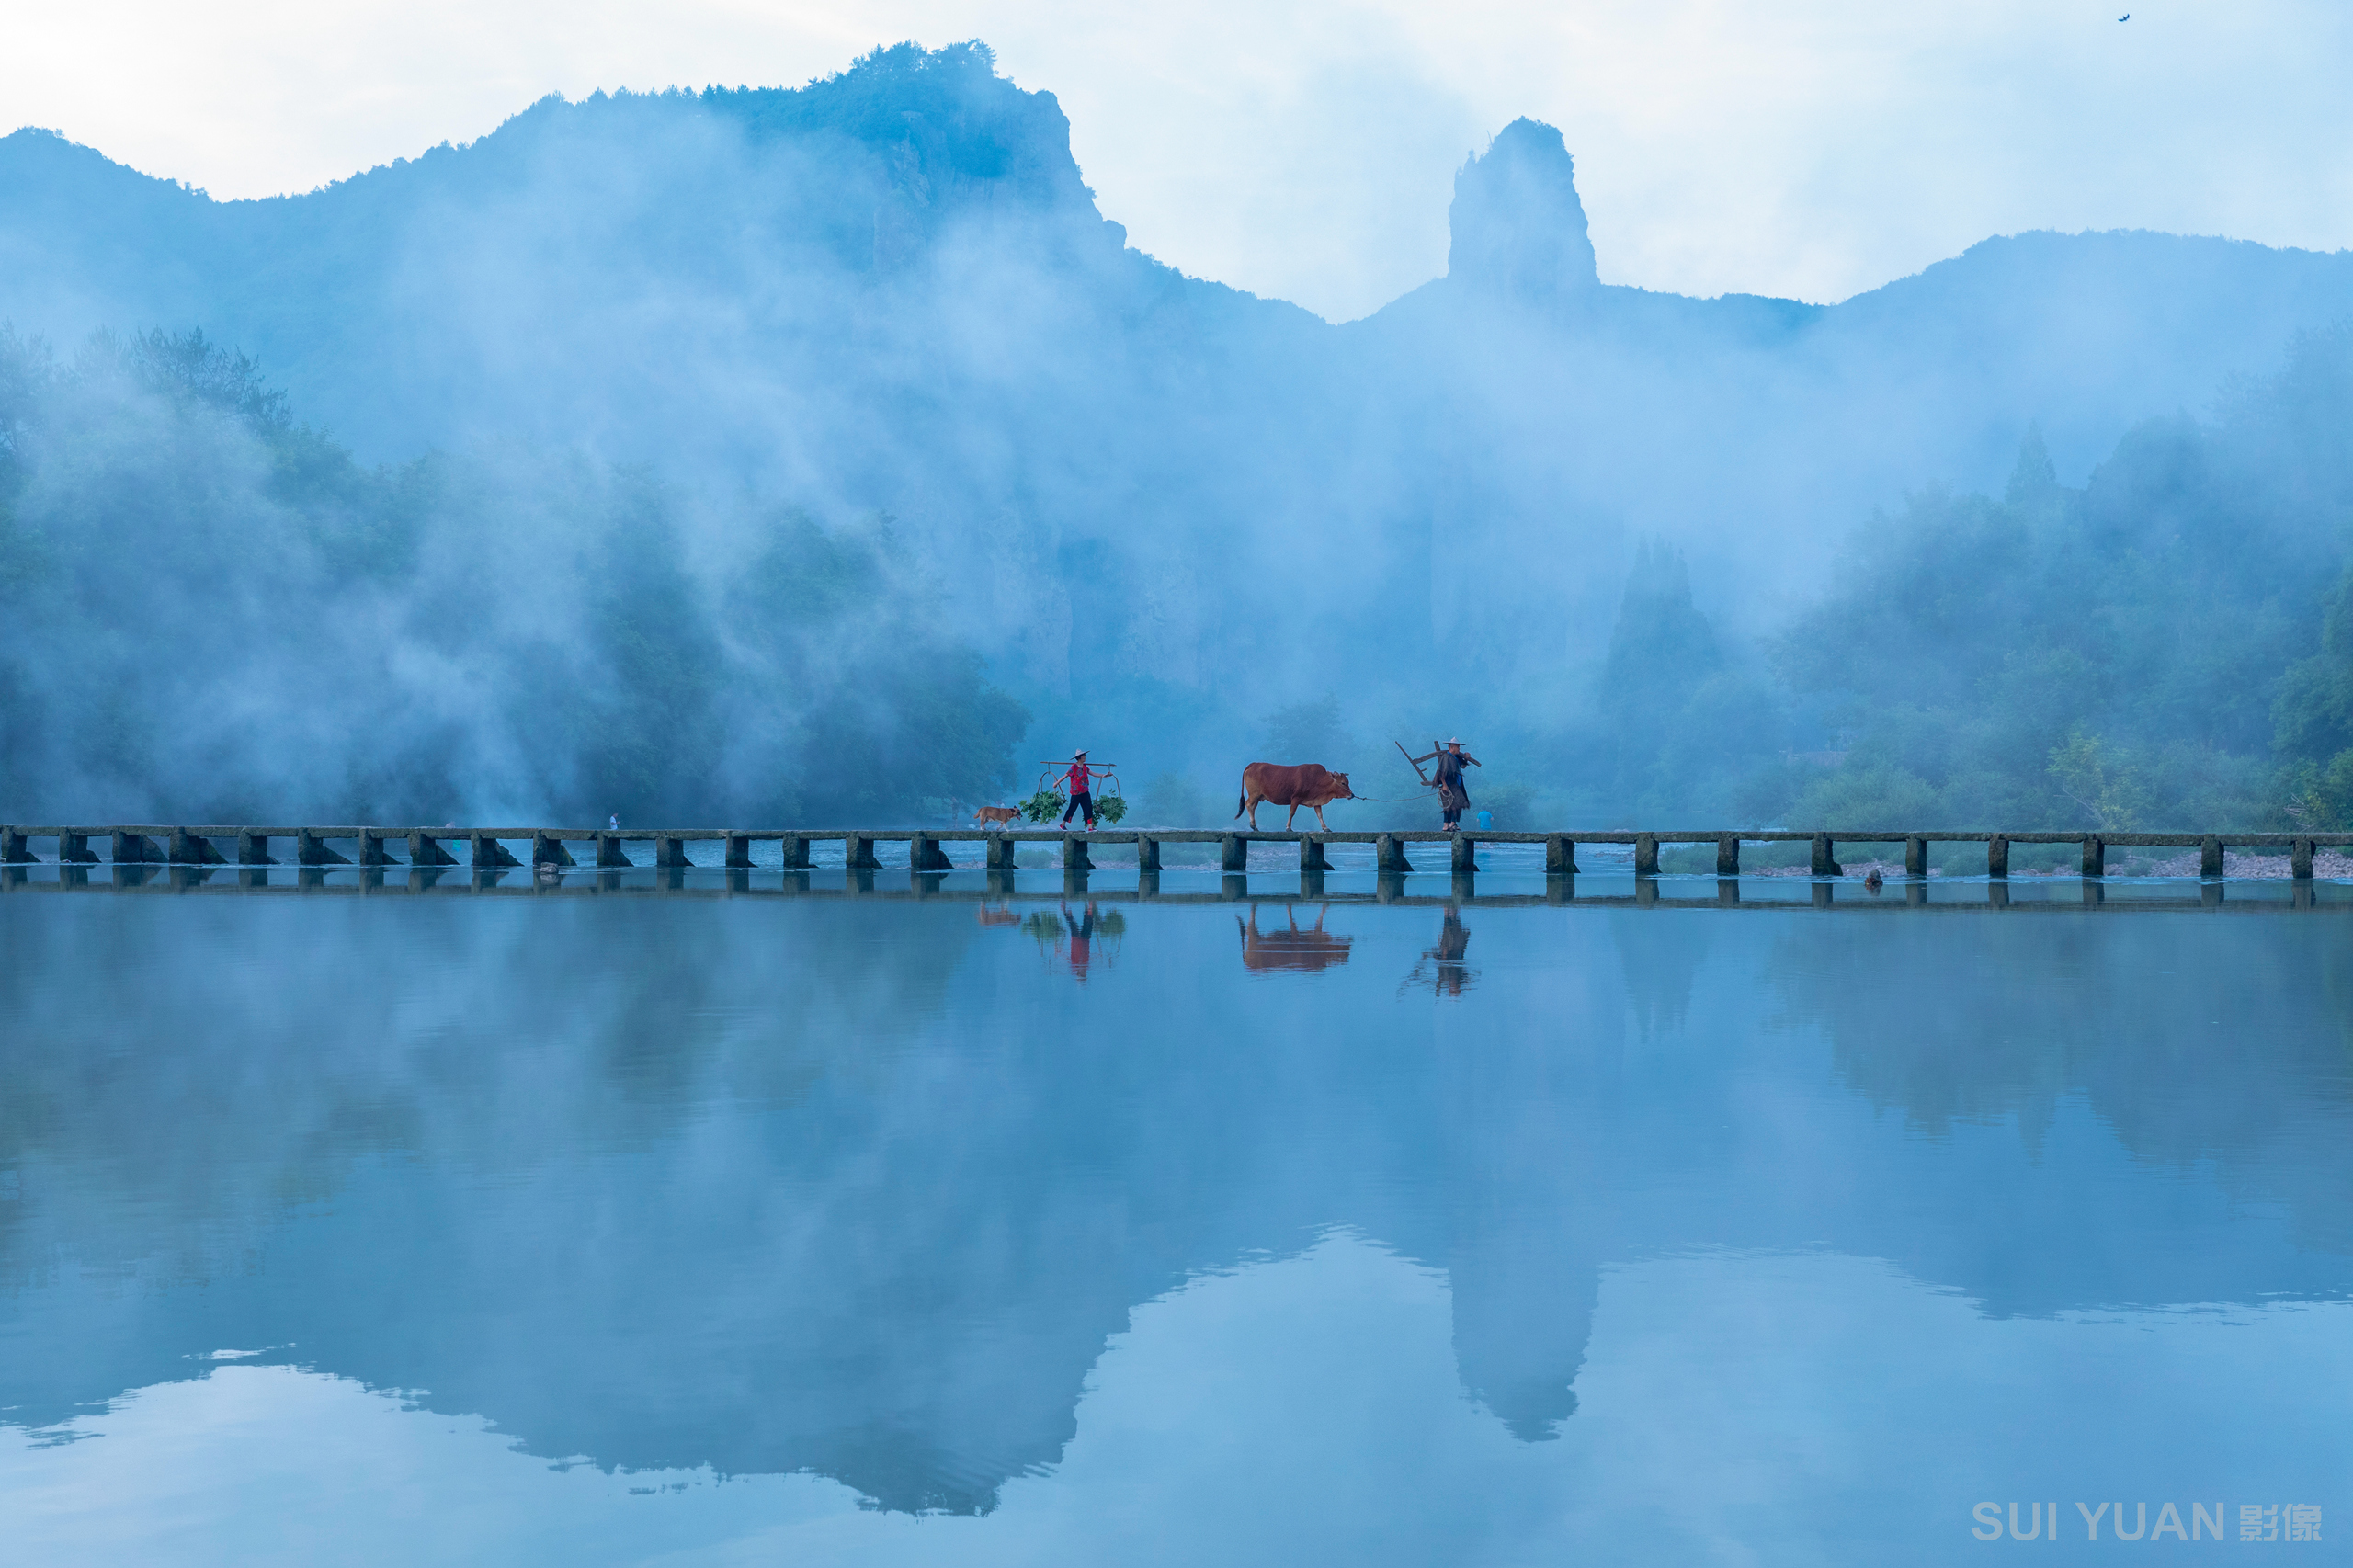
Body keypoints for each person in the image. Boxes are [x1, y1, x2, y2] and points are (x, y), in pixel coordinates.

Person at [1410, 739, 1482, 832]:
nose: (1459, 749)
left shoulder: (1456, 758)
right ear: (1451, 747)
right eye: (1457, 747)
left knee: (1457, 804)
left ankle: (1453, 823)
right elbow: (1442, 772)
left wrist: (1466, 758)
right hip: (1449, 784)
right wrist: (1444, 784)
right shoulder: (1446, 757)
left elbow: (1463, 766)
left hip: (1457, 784)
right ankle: (1446, 825)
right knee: (1449, 805)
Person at [1058, 751, 1097, 830]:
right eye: (1083, 756)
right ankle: (1063, 824)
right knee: (1072, 808)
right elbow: (1065, 776)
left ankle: (1090, 827)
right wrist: (1057, 783)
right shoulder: (1074, 767)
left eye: (1085, 755)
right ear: (1079, 757)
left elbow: (1093, 774)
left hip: (1085, 791)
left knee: (1088, 808)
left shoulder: (1085, 767)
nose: (1085, 757)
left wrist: (1104, 775)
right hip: (1076, 793)